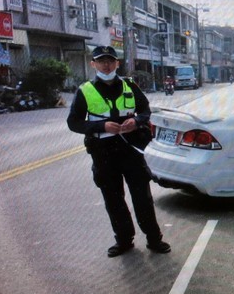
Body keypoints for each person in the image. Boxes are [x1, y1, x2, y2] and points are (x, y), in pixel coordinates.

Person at [67, 46, 171, 258]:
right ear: (93, 64)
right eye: (101, 60)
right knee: (114, 200)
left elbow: (145, 110)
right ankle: (124, 241)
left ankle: (154, 239)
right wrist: (100, 127)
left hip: (130, 150)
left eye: (110, 60)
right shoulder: (85, 90)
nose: (106, 64)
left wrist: (137, 120)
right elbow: (73, 122)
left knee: (142, 197)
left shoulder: (130, 86)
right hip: (103, 153)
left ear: (117, 63)